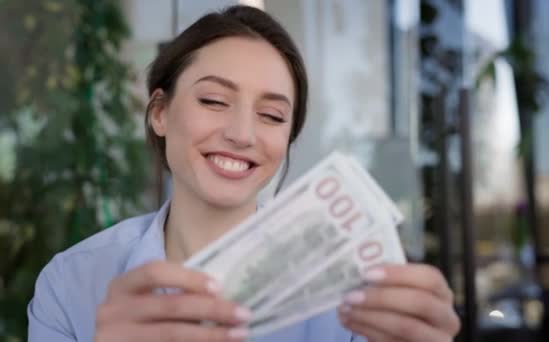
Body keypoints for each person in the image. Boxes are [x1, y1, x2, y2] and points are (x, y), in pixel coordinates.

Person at [27, 5, 460, 342]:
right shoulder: (71, 283)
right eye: (214, 101)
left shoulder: (351, 294)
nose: (241, 134)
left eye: (272, 115)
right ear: (159, 112)